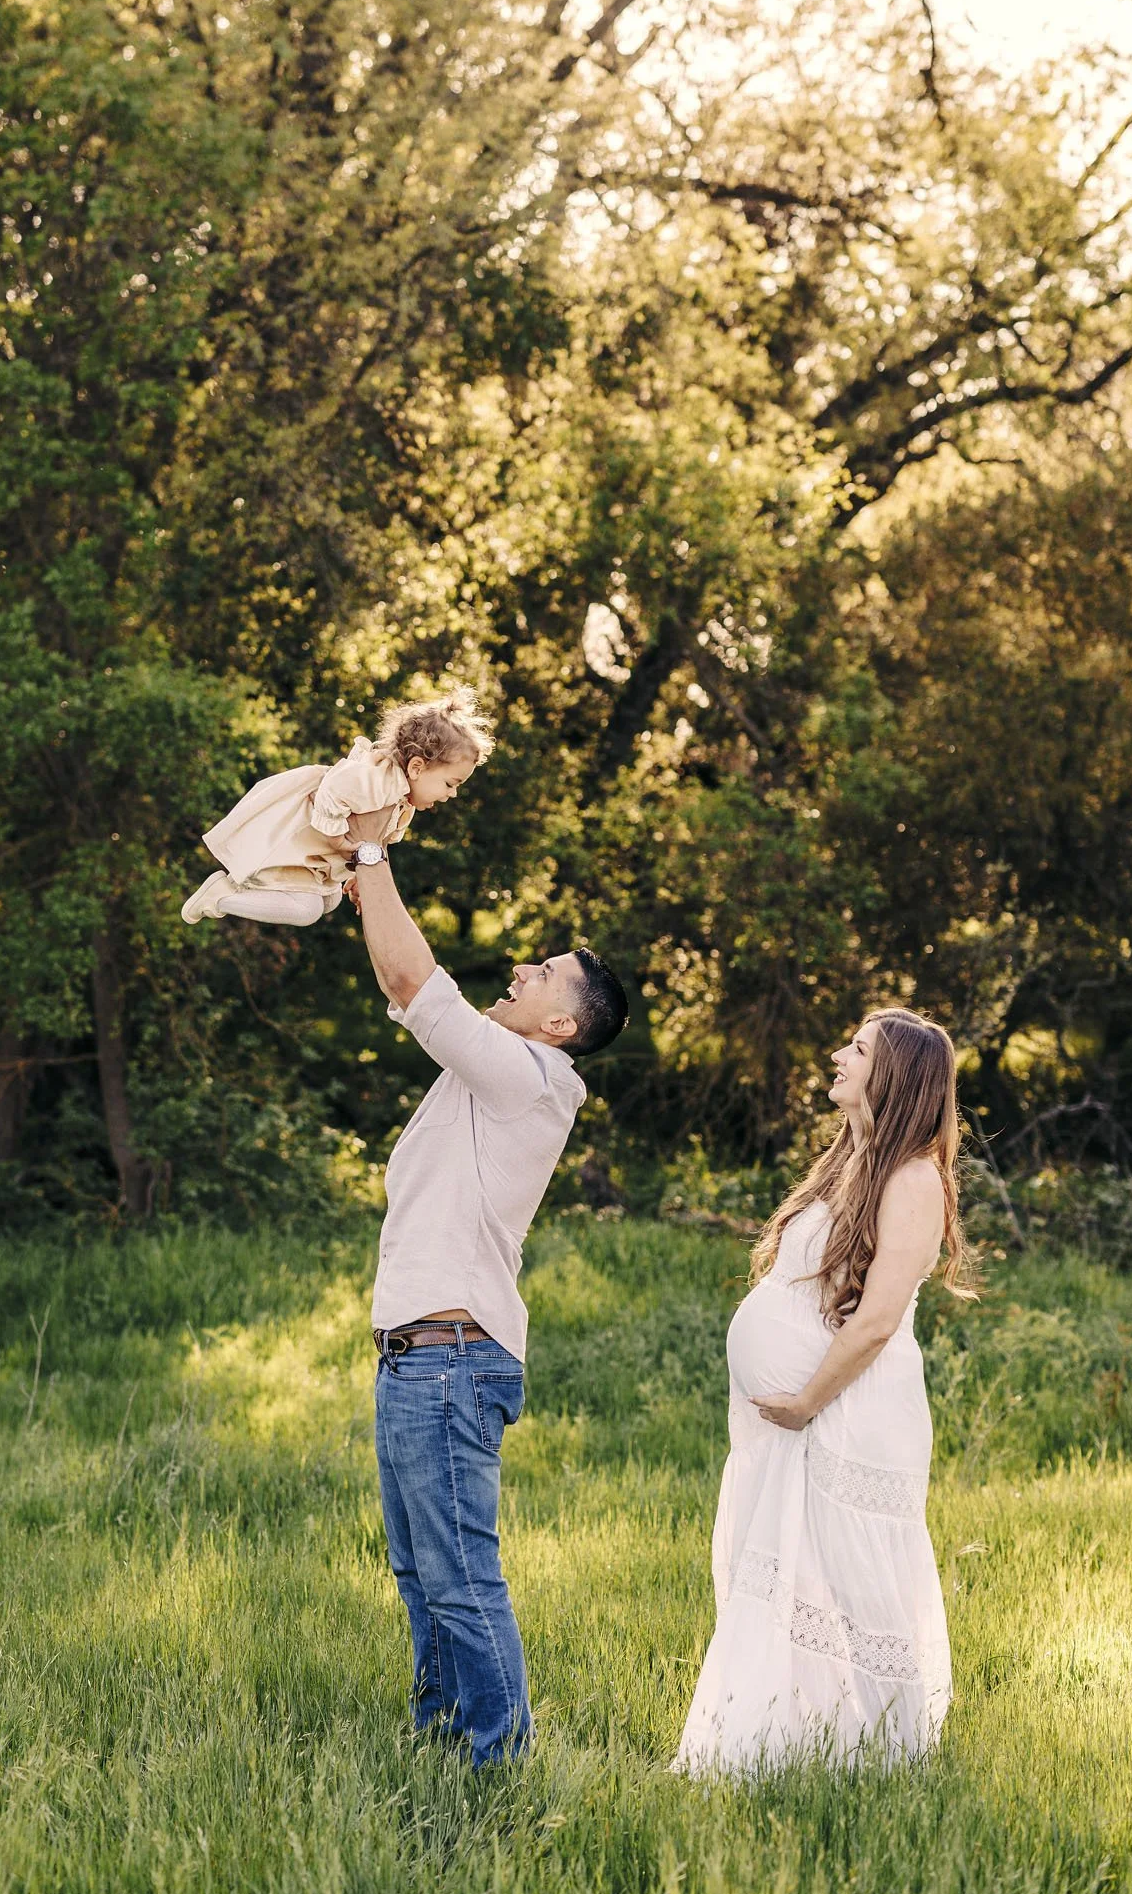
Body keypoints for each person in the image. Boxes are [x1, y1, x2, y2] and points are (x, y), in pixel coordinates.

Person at [345, 820, 629, 1766]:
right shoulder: (489, 1073)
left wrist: (375, 855)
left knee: (460, 1572)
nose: (521, 971)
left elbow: (412, 985)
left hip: (451, 1358)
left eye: (542, 974)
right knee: (420, 1572)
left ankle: (498, 1761)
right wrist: (359, 885)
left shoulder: (535, 1078)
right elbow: (412, 984)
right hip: (416, 1355)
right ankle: (438, 1741)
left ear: (561, 1024)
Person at [676, 1008, 974, 1775]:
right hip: (799, 1420)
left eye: (857, 1049)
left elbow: (876, 1320)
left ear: (894, 1074)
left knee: (849, 1586)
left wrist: (807, 1399)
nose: (838, 1056)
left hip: (849, 1414)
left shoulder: (912, 1178)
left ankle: (880, 1757)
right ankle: (784, 1746)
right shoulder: (852, 1159)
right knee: (788, 1577)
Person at [181, 690, 492, 929]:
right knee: (307, 911)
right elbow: (331, 789)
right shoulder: (378, 779)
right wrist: (338, 840)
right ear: (417, 767)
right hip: (298, 844)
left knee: (329, 900)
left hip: (318, 861)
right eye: (451, 783)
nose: (452, 794)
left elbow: (376, 839)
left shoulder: (401, 795)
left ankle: (231, 894)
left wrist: (362, 873)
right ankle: (221, 896)